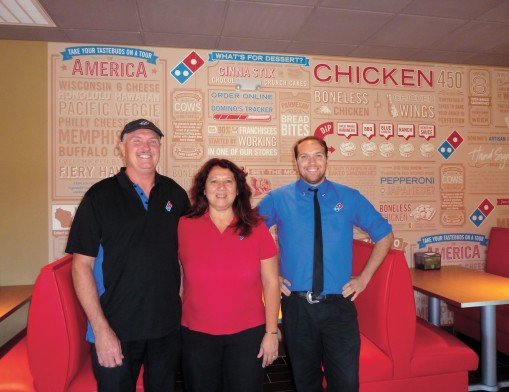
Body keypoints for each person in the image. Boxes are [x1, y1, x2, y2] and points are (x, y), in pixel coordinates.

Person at [257, 136, 394, 392]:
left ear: (327, 159)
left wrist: (363, 278)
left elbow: (385, 235)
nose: (312, 162)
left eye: (318, 155)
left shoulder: (349, 197)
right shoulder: (278, 198)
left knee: (346, 383)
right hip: (297, 308)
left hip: (339, 308)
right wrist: (271, 275)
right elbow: (248, 236)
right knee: (306, 383)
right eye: (304, 156)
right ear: (296, 161)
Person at [66, 119, 190, 391]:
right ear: (121, 147)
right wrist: (101, 330)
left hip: (167, 329)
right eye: (136, 140)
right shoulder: (99, 196)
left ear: (160, 148)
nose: (146, 147)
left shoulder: (175, 194)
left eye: (153, 141)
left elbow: (183, 258)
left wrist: (179, 302)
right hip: (116, 329)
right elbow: (81, 267)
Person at [178, 158, 280, 392]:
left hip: (248, 336)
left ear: (238, 188)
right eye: (214, 181)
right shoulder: (184, 226)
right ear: (203, 189)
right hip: (196, 335)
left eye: (228, 181)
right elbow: (175, 276)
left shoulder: (256, 227)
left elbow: (271, 282)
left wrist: (272, 332)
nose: (221, 187)